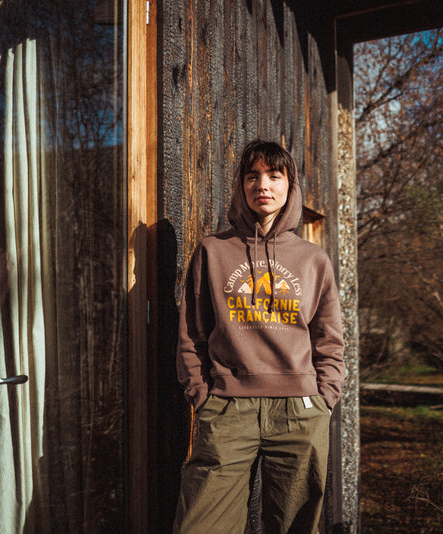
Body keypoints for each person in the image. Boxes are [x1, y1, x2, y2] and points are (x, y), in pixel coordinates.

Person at [174, 139, 345, 534]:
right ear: (241, 186)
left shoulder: (313, 260)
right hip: (228, 408)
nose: (262, 185)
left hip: (300, 411)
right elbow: (192, 333)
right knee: (201, 526)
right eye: (252, 176)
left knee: (294, 526)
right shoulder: (213, 251)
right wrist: (202, 394)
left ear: (290, 186)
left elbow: (329, 340)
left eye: (274, 175)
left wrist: (324, 397)